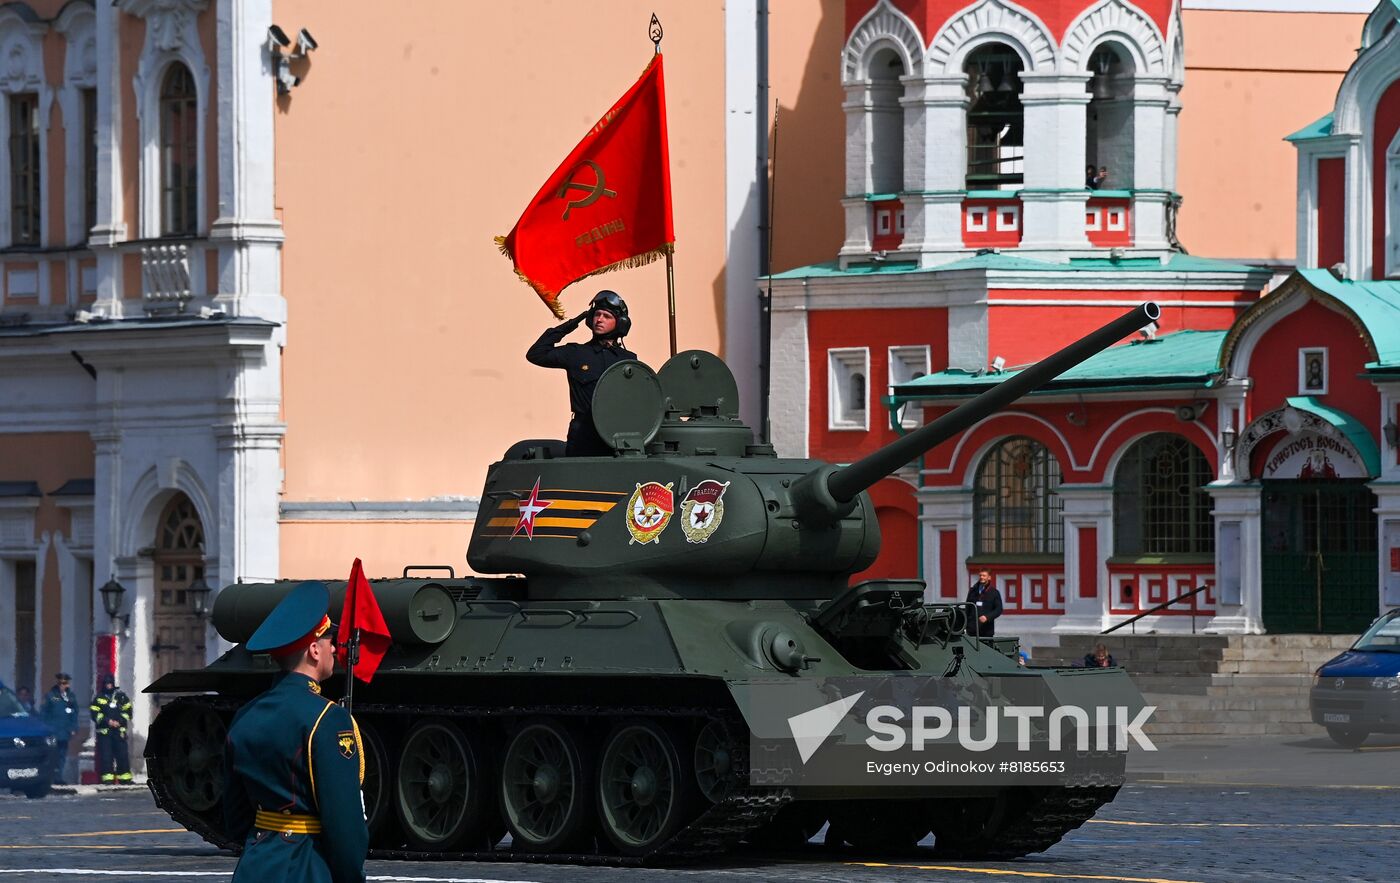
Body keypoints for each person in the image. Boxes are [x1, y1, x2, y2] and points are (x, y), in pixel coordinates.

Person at [223, 581, 367, 883]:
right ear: (314, 650)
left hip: (255, 865)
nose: (334, 648)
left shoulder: (245, 715)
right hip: (308, 866)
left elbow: (234, 818)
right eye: (330, 640)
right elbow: (345, 825)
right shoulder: (329, 719)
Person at [526, 290, 636, 456]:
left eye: (607, 316)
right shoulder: (576, 353)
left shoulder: (628, 360)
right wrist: (570, 324)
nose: (599, 319)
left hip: (617, 437)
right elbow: (536, 354)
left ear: (620, 323)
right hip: (583, 436)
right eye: (596, 314)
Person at [90, 674, 133, 784]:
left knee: (122, 755)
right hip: (105, 733)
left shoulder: (121, 697)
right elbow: (95, 714)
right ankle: (108, 779)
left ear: (113, 684)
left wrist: (120, 721)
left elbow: (128, 711)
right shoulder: (99, 698)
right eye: (106, 684)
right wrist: (107, 721)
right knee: (106, 756)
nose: (108, 686)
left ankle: (125, 779)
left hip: (119, 732)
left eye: (110, 684)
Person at [39, 673, 79, 784]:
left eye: (65, 683)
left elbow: (74, 713)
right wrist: (45, 729)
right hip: (53, 731)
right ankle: (52, 777)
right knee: (53, 755)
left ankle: (59, 777)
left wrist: (74, 727)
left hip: (65, 732)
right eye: (61, 683)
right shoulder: (51, 696)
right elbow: (43, 714)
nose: (63, 686)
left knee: (62, 756)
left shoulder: (71, 697)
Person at [966, 570, 1004, 638]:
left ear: (989, 577)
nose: (981, 577)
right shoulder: (972, 591)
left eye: (984, 575)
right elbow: (967, 608)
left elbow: (998, 609)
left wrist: (987, 617)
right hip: (972, 630)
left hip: (986, 630)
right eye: (980, 575)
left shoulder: (994, 592)